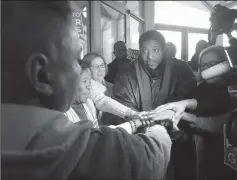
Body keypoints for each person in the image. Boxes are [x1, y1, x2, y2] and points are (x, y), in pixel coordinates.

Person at [1, 2, 173, 179]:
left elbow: (99, 98)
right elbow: (150, 157)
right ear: (42, 74)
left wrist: (131, 114)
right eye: (76, 59)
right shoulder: (64, 146)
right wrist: (157, 125)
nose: (83, 73)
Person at [102, 30, 198, 180]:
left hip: (178, 140)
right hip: (141, 143)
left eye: (156, 50)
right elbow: (121, 108)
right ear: (139, 51)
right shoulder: (127, 73)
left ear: (164, 50)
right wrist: (143, 126)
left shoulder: (181, 70)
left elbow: (192, 102)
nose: (150, 56)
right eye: (145, 50)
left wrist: (180, 130)